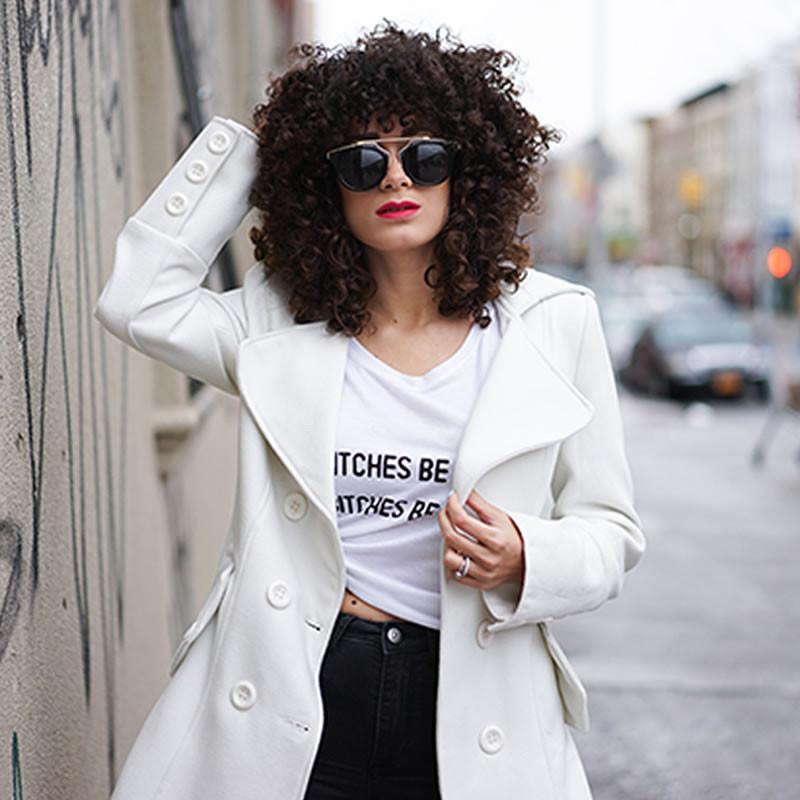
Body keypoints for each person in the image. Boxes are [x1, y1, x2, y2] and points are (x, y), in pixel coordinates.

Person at [95, 20, 645, 800]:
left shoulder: (554, 326)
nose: (394, 178)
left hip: (469, 706)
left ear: (466, 170)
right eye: (361, 161)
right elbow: (137, 302)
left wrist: (529, 555)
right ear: (325, 186)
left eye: (424, 156)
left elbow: (611, 530)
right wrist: (253, 155)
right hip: (297, 694)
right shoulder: (277, 324)